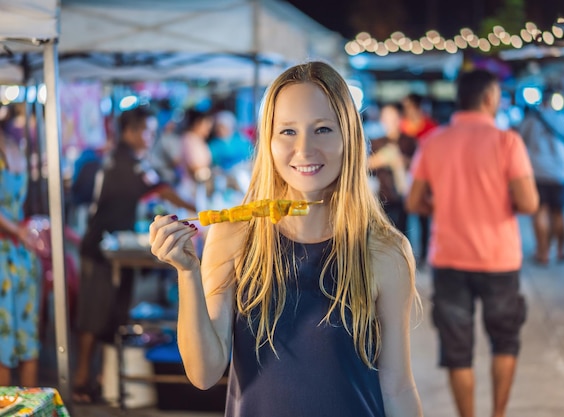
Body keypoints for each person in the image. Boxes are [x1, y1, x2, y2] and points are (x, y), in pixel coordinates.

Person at [149, 61, 422, 417]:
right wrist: (187, 273)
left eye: (323, 129)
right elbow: (204, 374)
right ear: (268, 141)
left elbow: (398, 386)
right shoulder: (232, 237)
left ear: (349, 138)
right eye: (288, 131)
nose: (305, 149)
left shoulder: (385, 250)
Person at [406, 69, 538, 417]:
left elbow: (413, 200)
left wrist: (441, 207)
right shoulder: (507, 142)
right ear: (490, 98)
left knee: (457, 349)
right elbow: (529, 203)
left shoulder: (434, 142)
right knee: (505, 341)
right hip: (499, 260)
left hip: (449, 258)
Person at [73, 106, 196, 403]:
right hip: (100, 249)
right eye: (147, 131)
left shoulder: (134, 161)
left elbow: (156, 188)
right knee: (94, 313)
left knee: (114, 312)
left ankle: (106, 379)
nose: (151, 137)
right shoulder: (120, 161)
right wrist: (196, 209)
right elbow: (160, 189)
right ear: (129, 132)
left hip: (117, 247)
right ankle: (79, 381)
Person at [0, 105, 40, 387]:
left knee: (4, 337)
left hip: (6, 250)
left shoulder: (11, 145)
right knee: (25, 334)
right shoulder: (14, 145)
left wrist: (16, 230)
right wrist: (21, 231)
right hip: (20, 251)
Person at [518, 90, 564, 265]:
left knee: (540, 211)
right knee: (558, 213)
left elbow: (519, 141)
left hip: (538, 172)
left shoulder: (532, 120)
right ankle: (560, 249)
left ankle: (543, 253)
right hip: (560, 173)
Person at [368, 102, 416, 235]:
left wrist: (403, 161)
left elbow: (418, 164)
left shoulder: (409, 141)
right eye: (386, 117)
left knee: (403, 232)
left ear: (400, 118)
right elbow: (364, 165)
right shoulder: (376, 142)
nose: (390, 121)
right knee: (382, 233)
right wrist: (380, 160)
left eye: (393, 117)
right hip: (382, 194)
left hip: (403, 194)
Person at [401, 93, 438, 265]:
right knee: (403, 215)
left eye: (409, 105)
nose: (407, 109)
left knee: (424, 215)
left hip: (425, 177)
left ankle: (423, 254)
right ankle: (404, 252)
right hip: (403, 176)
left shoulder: (430, 126)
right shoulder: (402, 126)